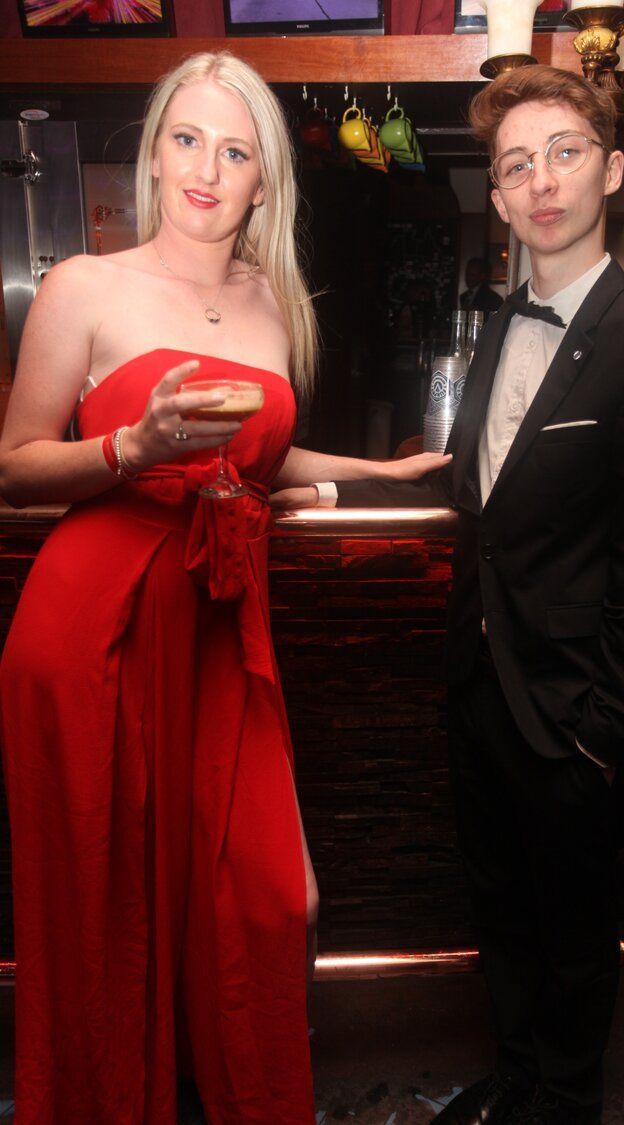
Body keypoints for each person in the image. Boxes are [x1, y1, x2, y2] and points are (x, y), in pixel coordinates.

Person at [0, 51, 447, 1125]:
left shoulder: (270, 300)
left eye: (235, 151)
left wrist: (374, 474)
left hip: (218, 628)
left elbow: (252, 455)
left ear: (263, 181)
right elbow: (14, 465)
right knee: (107, 909)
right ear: (154, 154)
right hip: (95, 626)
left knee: (273, 896)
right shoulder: (83, 285)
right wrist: (131, 446)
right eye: (189, 139)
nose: (207, 169)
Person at [275, 66, 624, 1125]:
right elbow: (481, 496)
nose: (541, 180)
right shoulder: (497, 329)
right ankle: (516, 1078)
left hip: (570, 716)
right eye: (517, 166)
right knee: (501, 912)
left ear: (612, 170)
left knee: (572, 934)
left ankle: (563, 1100)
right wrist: (338, 487)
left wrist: (599, 735)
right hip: (478, 688)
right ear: (502, 200)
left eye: (564, 153)